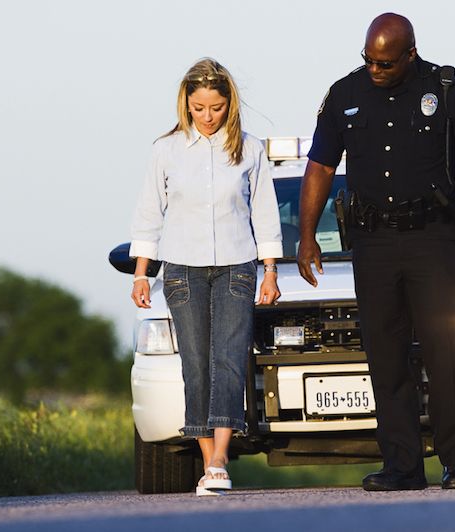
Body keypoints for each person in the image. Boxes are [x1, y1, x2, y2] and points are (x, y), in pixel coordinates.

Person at [297, 13, 455, 490]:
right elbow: (320, 167)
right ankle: (403, 467)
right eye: (369, 60)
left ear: (410, 53)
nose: (375, 69)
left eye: (386, 63)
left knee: (441, 349)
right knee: (385, 352)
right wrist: (307, 234)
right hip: (373, 242)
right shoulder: (344, 95)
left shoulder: (450, 91)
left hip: (433, 237)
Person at [129, 58, 283, 496]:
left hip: (237, 266)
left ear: (229, 104)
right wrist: (142, 275)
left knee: (229, 361)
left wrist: (270, 270)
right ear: (187, 104)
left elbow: (265, 213)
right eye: (199, 108)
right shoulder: (166, 150)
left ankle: (219, 459)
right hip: (181, 271)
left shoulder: (249, 149)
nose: (208, 117)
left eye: (216, 107)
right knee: (195, 365)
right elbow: (148, 214)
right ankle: (204, 453)